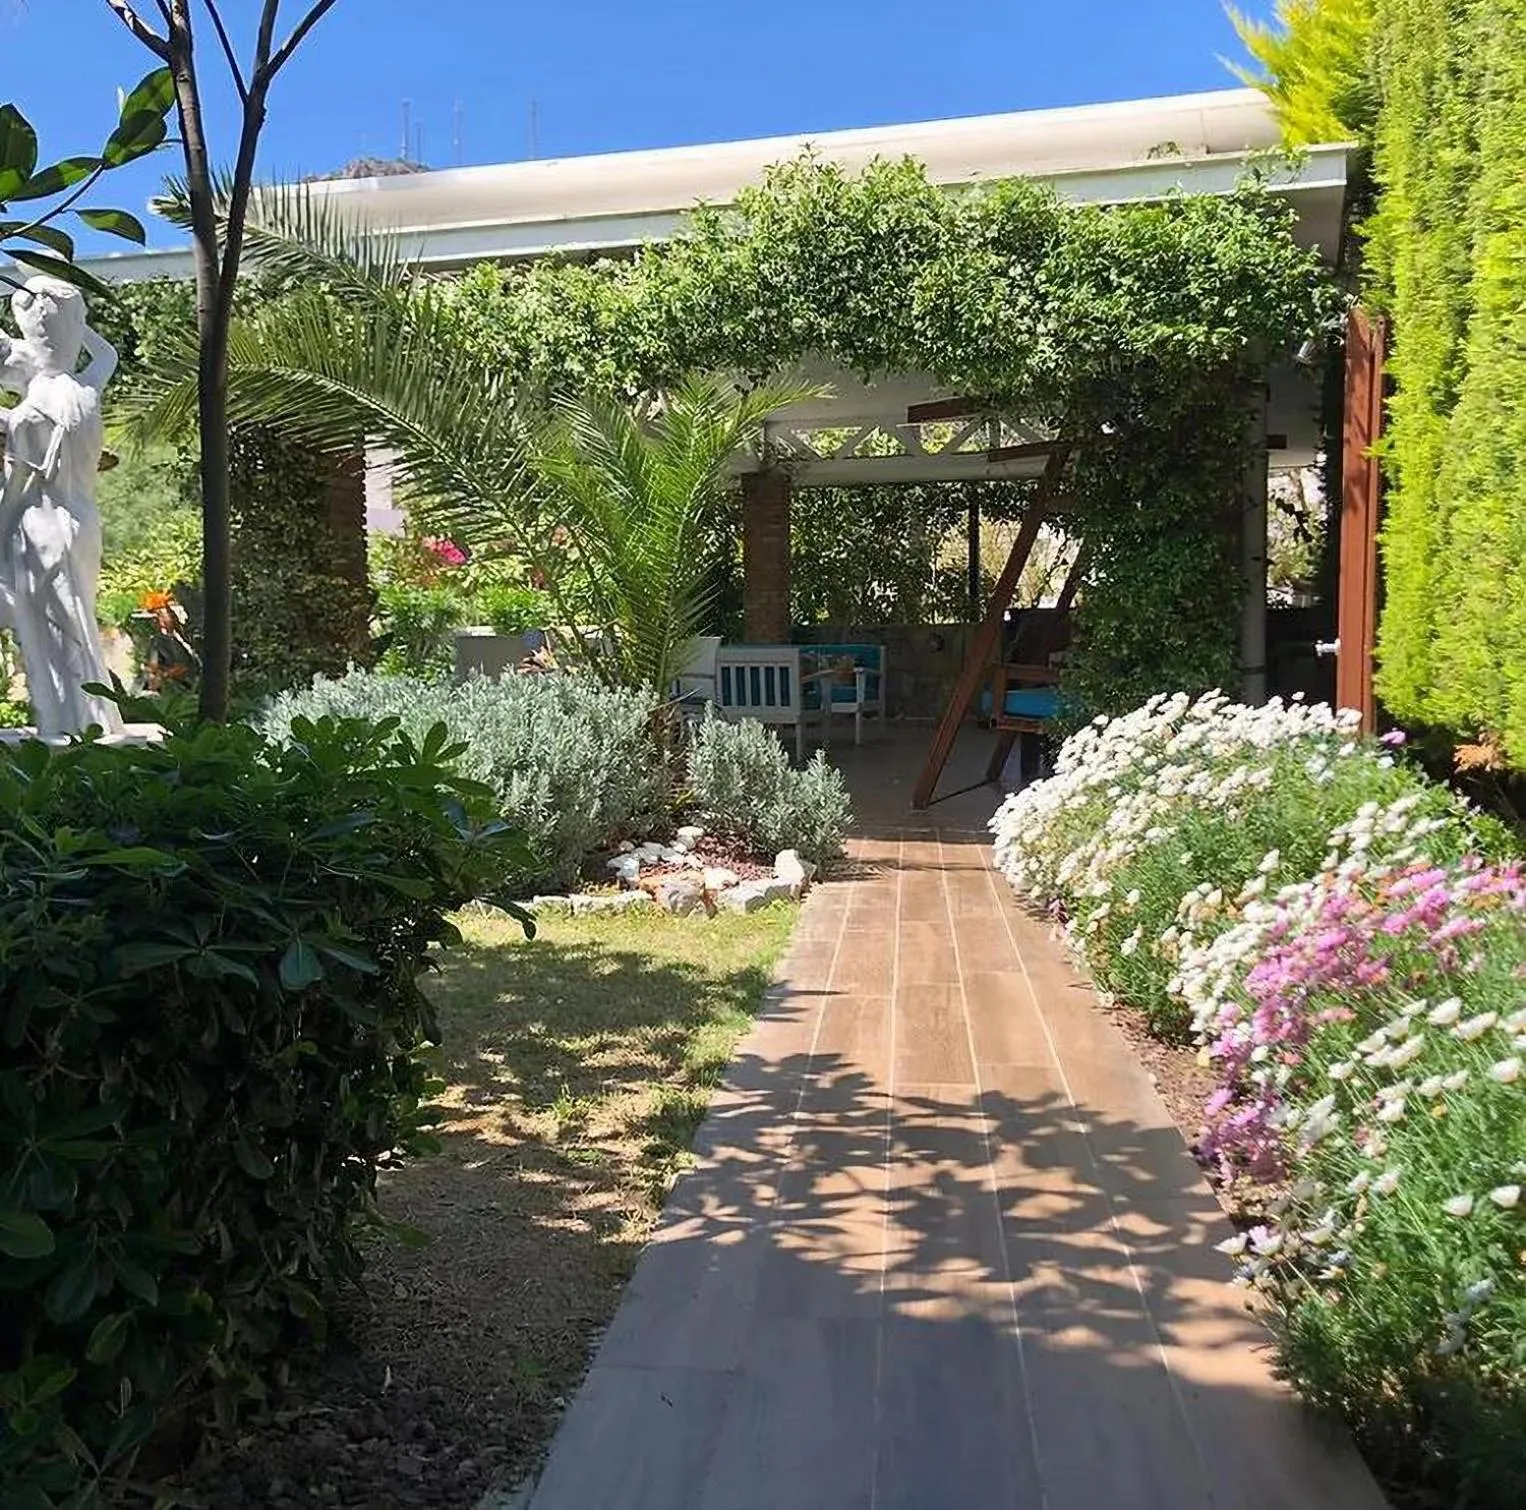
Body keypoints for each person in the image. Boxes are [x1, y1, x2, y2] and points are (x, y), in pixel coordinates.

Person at [0, 276, 124, 736]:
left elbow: (16, 487)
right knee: (78, 621)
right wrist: (72, 323)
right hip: (83, 523)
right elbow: (107, 354)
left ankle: (66, 723)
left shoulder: (29, 414)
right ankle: (92, 720)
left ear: (31, 340)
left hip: (40, 528)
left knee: (52, 633)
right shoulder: (88, 390)